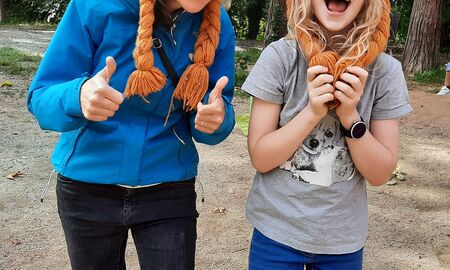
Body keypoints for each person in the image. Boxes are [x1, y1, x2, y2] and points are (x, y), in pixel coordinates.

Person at [27, 0, 235, 269]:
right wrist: (78, 96)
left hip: (169, 188)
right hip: (87, 188)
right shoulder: (92, 6)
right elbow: (41, 97)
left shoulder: (218, 22)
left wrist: (217, 119)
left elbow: (217, 112)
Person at [241, 0, 412, 269]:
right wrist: (311, 112)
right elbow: (261, 158)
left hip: (343, 243)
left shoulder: (386, 72)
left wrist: (349, 116)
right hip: (275, 235)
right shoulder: (280, 57)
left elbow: (379, 174)